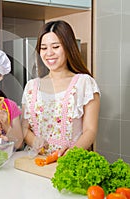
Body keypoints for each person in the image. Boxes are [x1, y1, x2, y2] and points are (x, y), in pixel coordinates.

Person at [21, 20, 100, 156]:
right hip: (37, 161)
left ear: (68, 47)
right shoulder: (31, 86)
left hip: (70, 161)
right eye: (44, 48)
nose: (49, 53)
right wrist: (35, 141)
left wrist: (72, 152)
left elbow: (90, 130)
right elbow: (24, 127)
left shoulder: (84, 83)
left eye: (56, 47)